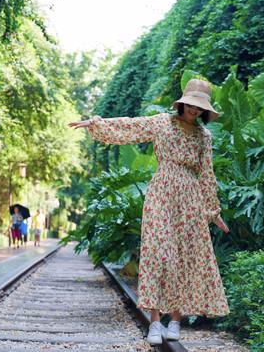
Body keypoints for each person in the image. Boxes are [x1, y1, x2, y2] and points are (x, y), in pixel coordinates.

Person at [69, 79, 230, 345]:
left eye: (200, 107)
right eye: (192, 105)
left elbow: (207, 175)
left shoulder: (204, 136)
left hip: (189, 198)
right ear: (183, 103)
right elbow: (131, 126)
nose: (195, 111)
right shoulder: (161, 123)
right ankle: (155, 322)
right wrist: (96, 124)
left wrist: (212, 210)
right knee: (158, 253)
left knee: (183, 256)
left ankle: (175, 321)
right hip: (162, 193)